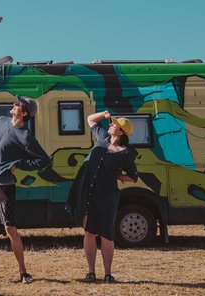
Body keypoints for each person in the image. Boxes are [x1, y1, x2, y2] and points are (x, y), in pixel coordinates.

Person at [0, 95, 51, 284]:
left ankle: (23, 272)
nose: (13, 105)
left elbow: (44, 160)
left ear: (24, 112)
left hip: (4, 186)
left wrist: (19, 164)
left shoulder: (26, 137)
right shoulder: (0, 121)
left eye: (17, 104)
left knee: (10, 228)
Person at [66, 110, 138, 283]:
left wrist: (116, 176)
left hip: (107, 196)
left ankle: (108, 274)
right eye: (112, 123)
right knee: (89, 232)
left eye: (115, 125)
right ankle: (91, 272)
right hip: (89, 193)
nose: (111, 125)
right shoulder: (102, 137)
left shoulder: (126, 154)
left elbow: (133, 177)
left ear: (121, 132)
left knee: (106, 234)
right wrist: (103, 114)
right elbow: (90, 119)